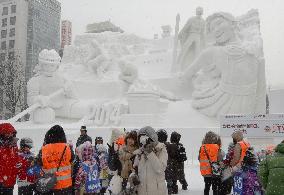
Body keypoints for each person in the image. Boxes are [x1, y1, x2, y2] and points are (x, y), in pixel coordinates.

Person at [180, 12, 266, 117]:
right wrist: (199, 83)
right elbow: (187, 75)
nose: (216, 30)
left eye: (219, 23)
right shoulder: (212, 52)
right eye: (212, 29)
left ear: (233, 24)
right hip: (222, 105)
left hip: (249, 106)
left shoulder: (253, 49)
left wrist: (261, 116)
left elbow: (261, 89)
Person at [36, 125, 74, 194]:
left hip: (49, 184)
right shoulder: (68, 148)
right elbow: (72, 160)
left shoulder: (44, 149)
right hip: (65, 185)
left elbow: (39, 163)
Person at [134, 126, 168, 195]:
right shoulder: (140, 152)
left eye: (145, 138)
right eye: (141, 138)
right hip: (142, 191)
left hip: (157, 191)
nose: (143, 141)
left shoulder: (161, 149)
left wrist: (150, 153)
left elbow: (160, 169)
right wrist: (133, 176)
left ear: (152, 138)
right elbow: (135, 168)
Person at [177, 7, 206, 71]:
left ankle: (196, 66)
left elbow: (203, 33)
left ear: (202, 12)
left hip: (198, 37)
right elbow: (186, 27)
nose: (199, 13)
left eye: (201, 11)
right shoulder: (192, 19)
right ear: (196, 12)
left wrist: (204, 42)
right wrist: (180, 33)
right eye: (198, 11)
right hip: (192, 35)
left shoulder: (203, 21)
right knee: (185, 47)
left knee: (197, 52)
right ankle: (178, 63)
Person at [0, 123, 19, 195]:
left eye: (11, 133)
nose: (10, 135)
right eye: (7, 133)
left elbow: (16, 160)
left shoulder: (14, 146)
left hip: (10, 181)